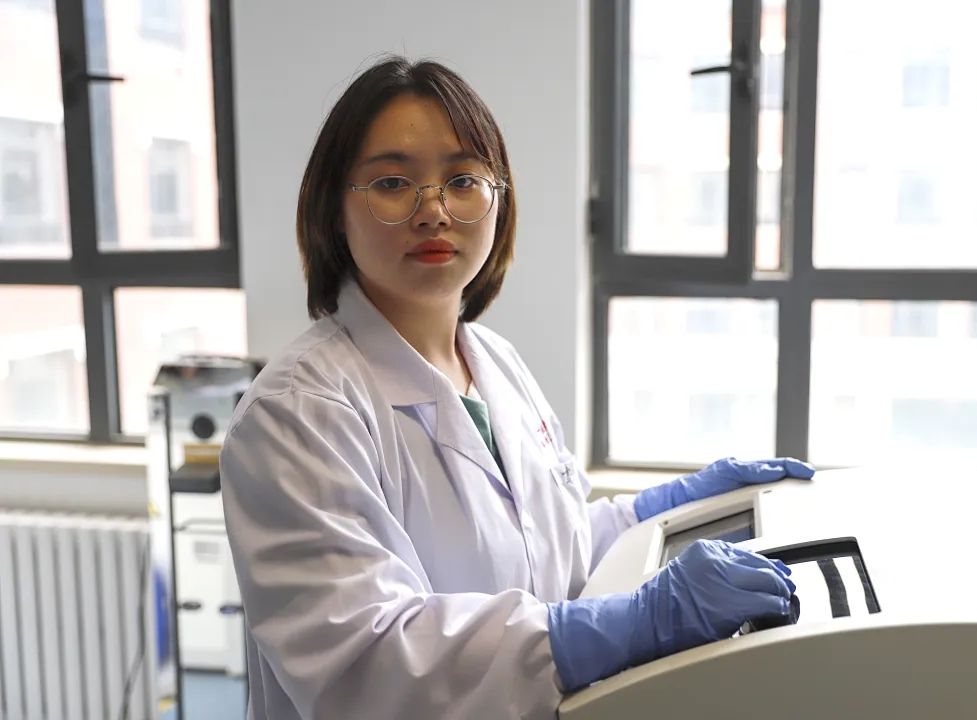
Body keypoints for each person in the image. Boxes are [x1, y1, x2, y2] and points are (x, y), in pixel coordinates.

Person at [220, 56, 814, 720]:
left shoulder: (495, 362)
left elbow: (553, 545)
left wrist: (664, 510)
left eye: (463, 180)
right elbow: (367, 665)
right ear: (334, 209)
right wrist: (628, 623)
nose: (434, 210)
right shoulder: (296, 415)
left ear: (498, 200)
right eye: (392, 182)